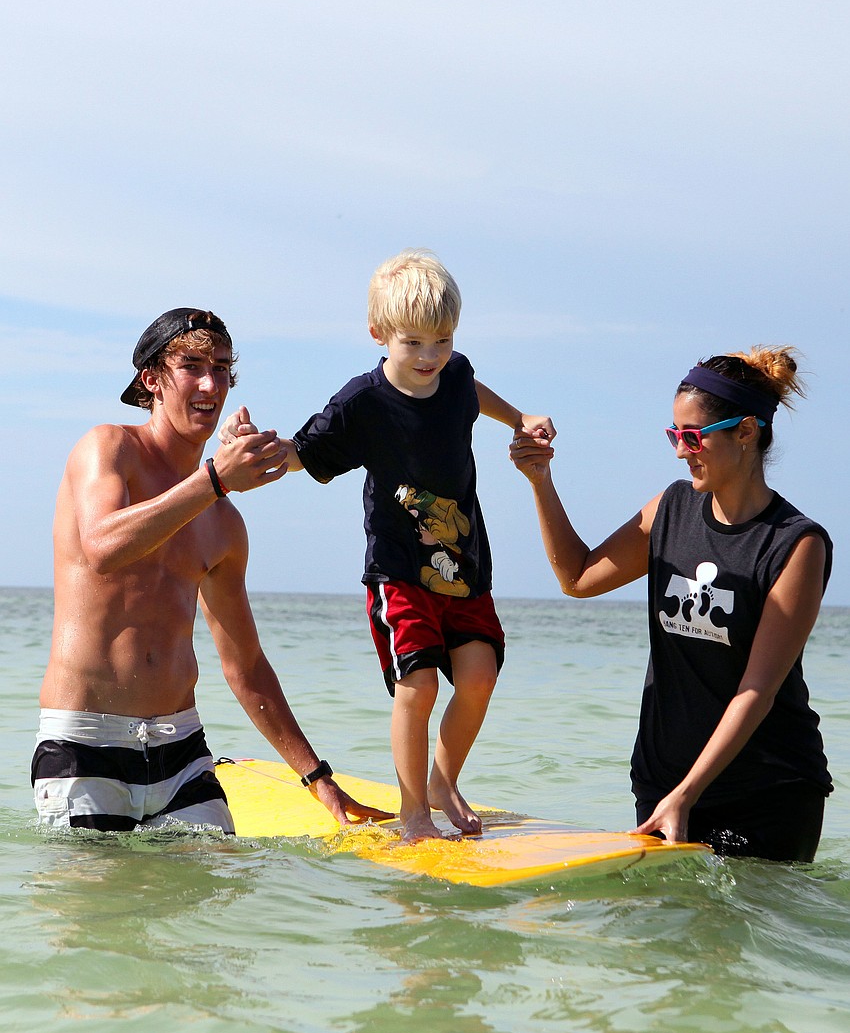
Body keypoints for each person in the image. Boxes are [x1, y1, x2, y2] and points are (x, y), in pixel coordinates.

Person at [221, 251, 555, 842]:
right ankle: (413, 813)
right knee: (419, 686)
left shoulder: (454, 374)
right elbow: (304, 453)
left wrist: (520, 417)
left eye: (442, 341)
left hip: (465, 567)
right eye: (414, 342)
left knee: (478, 677)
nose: (430, 356)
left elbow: (472, 389)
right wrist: (257, 449)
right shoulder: (362, 404)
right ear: (380, 334)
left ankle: (442, 782)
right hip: (398, 571)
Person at [32, 307, 392, 834]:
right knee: (102, 914)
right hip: (85, 744)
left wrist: (317, 777)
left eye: (222, 367)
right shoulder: (109, 449)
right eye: (193, 366)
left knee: (220, 900)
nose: (210, 382)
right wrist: (214, 480)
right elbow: (101, 547)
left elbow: (245, 666)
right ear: (151, 381)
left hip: (182, 749)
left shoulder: (223, 524)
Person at [511, 346, 833, 862]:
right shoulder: (671, 509)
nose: (681, 452)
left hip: (765, 795)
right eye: (674, 436)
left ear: (745, 432)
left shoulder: (795, 545)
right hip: (662, 787)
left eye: (692, 436)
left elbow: (757, 689)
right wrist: (541, 482)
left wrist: (689, 792)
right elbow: (578, 577)